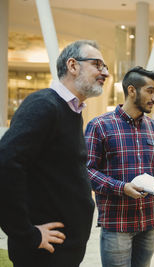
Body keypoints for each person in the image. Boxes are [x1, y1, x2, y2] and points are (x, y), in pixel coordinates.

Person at [0, 40, 110, 266]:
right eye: (98, 65)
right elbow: (6, 164)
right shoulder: (44, 104)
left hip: (62, 250)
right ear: (73, 66)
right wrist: (25, 233)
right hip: (43, 253)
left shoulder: (71, 110)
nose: (105, 73)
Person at [85, 66, 154, 267]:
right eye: (150, 91)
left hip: (149, 222)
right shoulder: (99, 126)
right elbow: (86, 171)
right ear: (132, 90)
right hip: (117, 224)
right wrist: (121, 187)